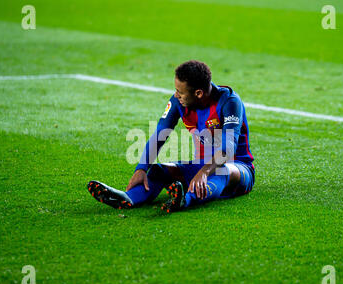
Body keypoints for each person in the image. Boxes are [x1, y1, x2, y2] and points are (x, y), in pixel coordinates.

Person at [88, 60, 255, 213]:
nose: (176, 95)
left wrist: (205, 172)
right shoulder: (179, 102)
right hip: (200, 167)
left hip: (237, 169)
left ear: (198, 93)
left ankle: (184, 200)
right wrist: (141, 168)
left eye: (180, 92)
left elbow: (229, 147)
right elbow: (159, 134)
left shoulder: (229, 102)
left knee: (221, 171)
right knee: (159, 170)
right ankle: (129, 198)